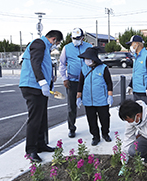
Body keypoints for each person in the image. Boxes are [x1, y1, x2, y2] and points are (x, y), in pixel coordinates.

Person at [19, 30, 63, 162]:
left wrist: (49, 80)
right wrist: (42, 81)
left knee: (41, 117)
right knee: (35, 118)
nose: (56, 46)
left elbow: (42, 65)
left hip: (38, 86)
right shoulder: (39, 43)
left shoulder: (44, 46)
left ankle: (40, 144)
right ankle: (31, 150)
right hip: (32, 86)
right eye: (57, 43)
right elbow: (35, 63)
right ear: (54, 39)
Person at [59, 28, 92, 138]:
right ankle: (71, 128)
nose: (75, 40)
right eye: (73, 38)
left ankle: (93, 128)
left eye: (78, 38)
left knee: (91, 104)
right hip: (72, 81)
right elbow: (62, 64)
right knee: (71, 107)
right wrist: (64, 78)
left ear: (82, 38)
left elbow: (95, 62)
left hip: (87, 80)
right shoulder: (66, 48)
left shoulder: (88, 47)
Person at [76, 47, 113, 146]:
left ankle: (105, 134)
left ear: (94, 59)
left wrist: (110, 95)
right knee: (91, 119)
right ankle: (95, 136)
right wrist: (78, 96)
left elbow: (109, 82)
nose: (86, 60)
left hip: (101, 99)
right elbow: (80, 83)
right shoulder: (84, 69)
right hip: (88, 99)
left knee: (104, 118)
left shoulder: (103, 68)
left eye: (88, 58)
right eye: (85, 58)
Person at [125, 35, 147, 107]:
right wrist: (130, 85)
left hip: (144, 92)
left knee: (146, 114)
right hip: (136, 91)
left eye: (131, 44)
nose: (131, 46)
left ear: (137, 44)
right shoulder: (135, 56)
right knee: (137, 114)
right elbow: (135, 73)